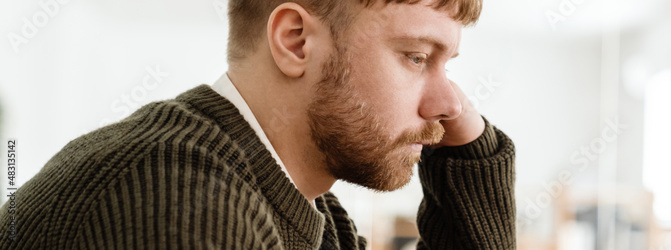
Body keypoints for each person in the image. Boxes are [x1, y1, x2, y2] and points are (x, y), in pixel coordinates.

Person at [0, 0, 515, 249]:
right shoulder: (177, 199)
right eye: (418, 57)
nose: (450, 103)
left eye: (449, 65)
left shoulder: (313, 211)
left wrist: (472, 159)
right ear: (296, 41)